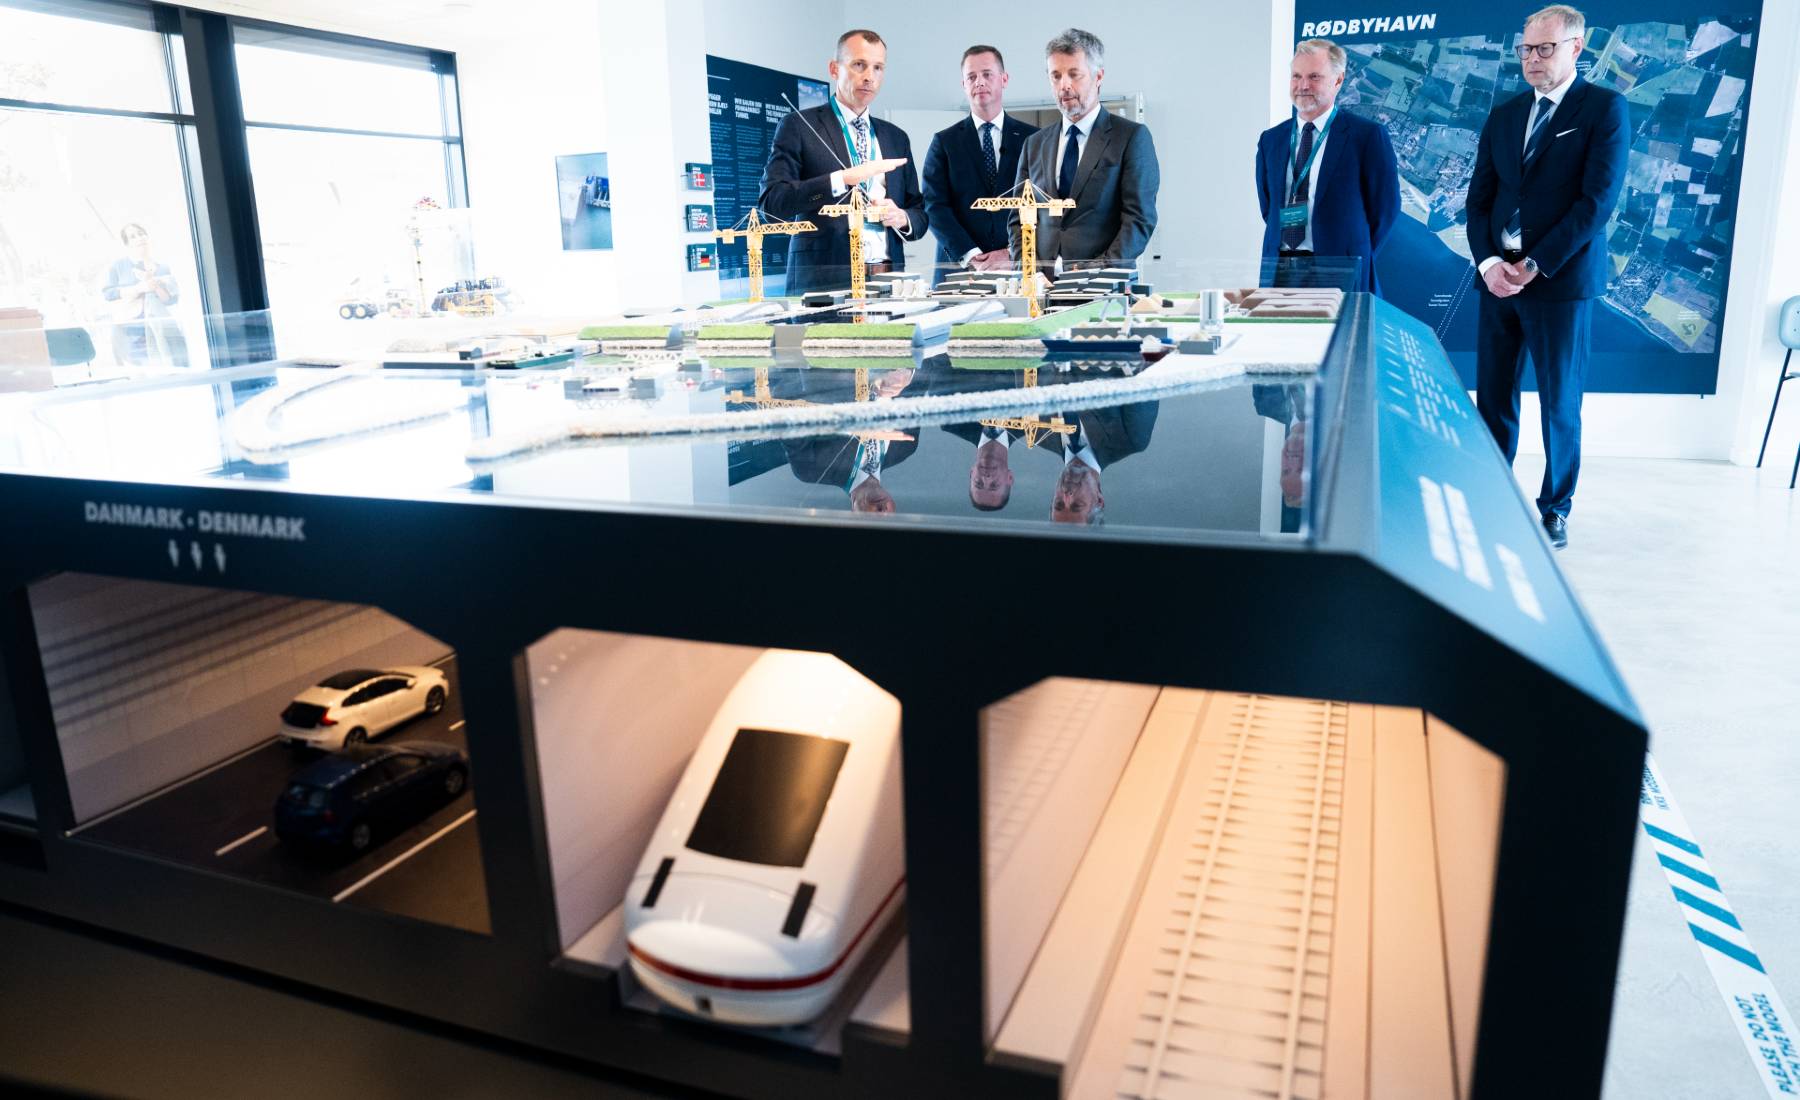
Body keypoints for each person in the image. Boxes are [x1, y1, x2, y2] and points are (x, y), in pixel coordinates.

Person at [1466, 3, 1629, 549]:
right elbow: (1479, 201)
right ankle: (1493, 496)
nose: (1532, 59)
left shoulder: (1603, 108)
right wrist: (1490, 264)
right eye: (1525, 49)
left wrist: (1533, 265)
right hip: (1498, 284)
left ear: (1576, 47)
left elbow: (1596, 204)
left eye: (1544, 48)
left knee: (1560, 404)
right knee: (1493, 399)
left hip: (1559, 284)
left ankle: (1555, 508)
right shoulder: (1505, 114)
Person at [758, 29, 928, 295]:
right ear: (834, 69)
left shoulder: (896, 137)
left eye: (878, 67)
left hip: (888, 281)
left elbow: (919, 212)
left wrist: (902, 217)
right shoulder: (798, 126)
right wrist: (842, 180)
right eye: (859, 64)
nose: (869, 76)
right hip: (823, 282)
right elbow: (771, 205)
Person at [1254, 39, 1400, 294]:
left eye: (1314, 77)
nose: (1303, 86)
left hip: (1341, 271)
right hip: (1280, 271)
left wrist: (1353, 251)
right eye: (1296, 76)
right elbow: (1269, 208)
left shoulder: (1366, 136)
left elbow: (1385, 210)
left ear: (1338, 80)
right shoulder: (1272, 140)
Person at [1010, 28, 1159, 272]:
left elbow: (1139, 220)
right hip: (1041, 286)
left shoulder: (1130, 138)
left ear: (1098, 76)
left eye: (1074, 74)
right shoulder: (1034, 145)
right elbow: (1017, 219)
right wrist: (1028, 272)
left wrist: (1095, 271)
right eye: (1056, 76)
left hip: (1102, 284)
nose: (1064, 85)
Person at [921, 45, 1038, 286]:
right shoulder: (944, 142)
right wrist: (972, 255)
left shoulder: (1034, 139)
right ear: (963, 85)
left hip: (1017, 269)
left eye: (987, 74)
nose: (979, 82)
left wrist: (1011, 252)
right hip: (959, 270)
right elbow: (934, 206)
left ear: (1004, 79)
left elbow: (1044, 207)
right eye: (971, 77)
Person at [100, 223, 188, 367]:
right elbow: (108, 294)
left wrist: (155, 286)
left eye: (141, 233)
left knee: (171, 365)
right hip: (132, 331)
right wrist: (138, 288)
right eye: (132, 236)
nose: (139, 238)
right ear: (127, 244)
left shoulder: (162, 267)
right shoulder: (118, 266)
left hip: (161, 328)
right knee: (142, 370)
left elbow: (171, 300)